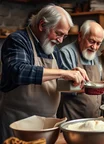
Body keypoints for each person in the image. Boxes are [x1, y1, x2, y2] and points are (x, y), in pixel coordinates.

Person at [0, 4, 88, 142]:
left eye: (64, 36)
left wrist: (78, 84)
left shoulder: (53, 50)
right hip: (18, 125)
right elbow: (17, 72)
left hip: (47, 126)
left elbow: (57, 85)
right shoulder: (18, 40)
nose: (60, 40)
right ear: (42, 25)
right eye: (58, 33)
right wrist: (63, 73)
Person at [57, 20, 104, 120]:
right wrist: (97, 86)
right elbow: (62, 87)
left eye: (98, 43)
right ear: (80, 36)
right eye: (92, 41)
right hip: (73, 117)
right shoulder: (66, 53)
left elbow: (93, 82)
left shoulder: (94, 56)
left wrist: (101, 85)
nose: (94, 47)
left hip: (93, 117)